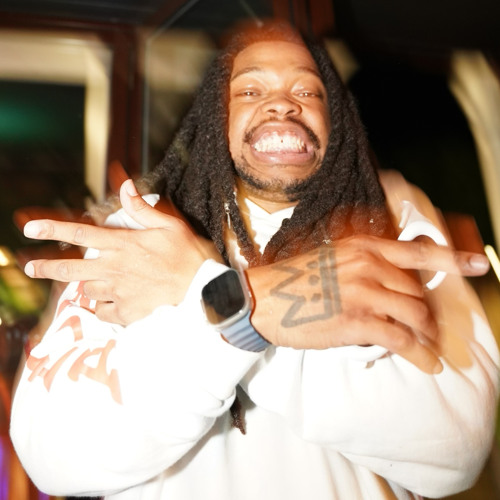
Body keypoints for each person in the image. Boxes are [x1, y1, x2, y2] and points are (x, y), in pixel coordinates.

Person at [10, 21, 499, 499]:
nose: (282, 103)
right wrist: (256, 308)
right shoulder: (141, 228)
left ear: (337, 119)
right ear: (215, 118)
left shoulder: (391, 218)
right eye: (249, 90)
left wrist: (213, 297)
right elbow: (53, 450)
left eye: (307, 91)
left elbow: (458, 446)